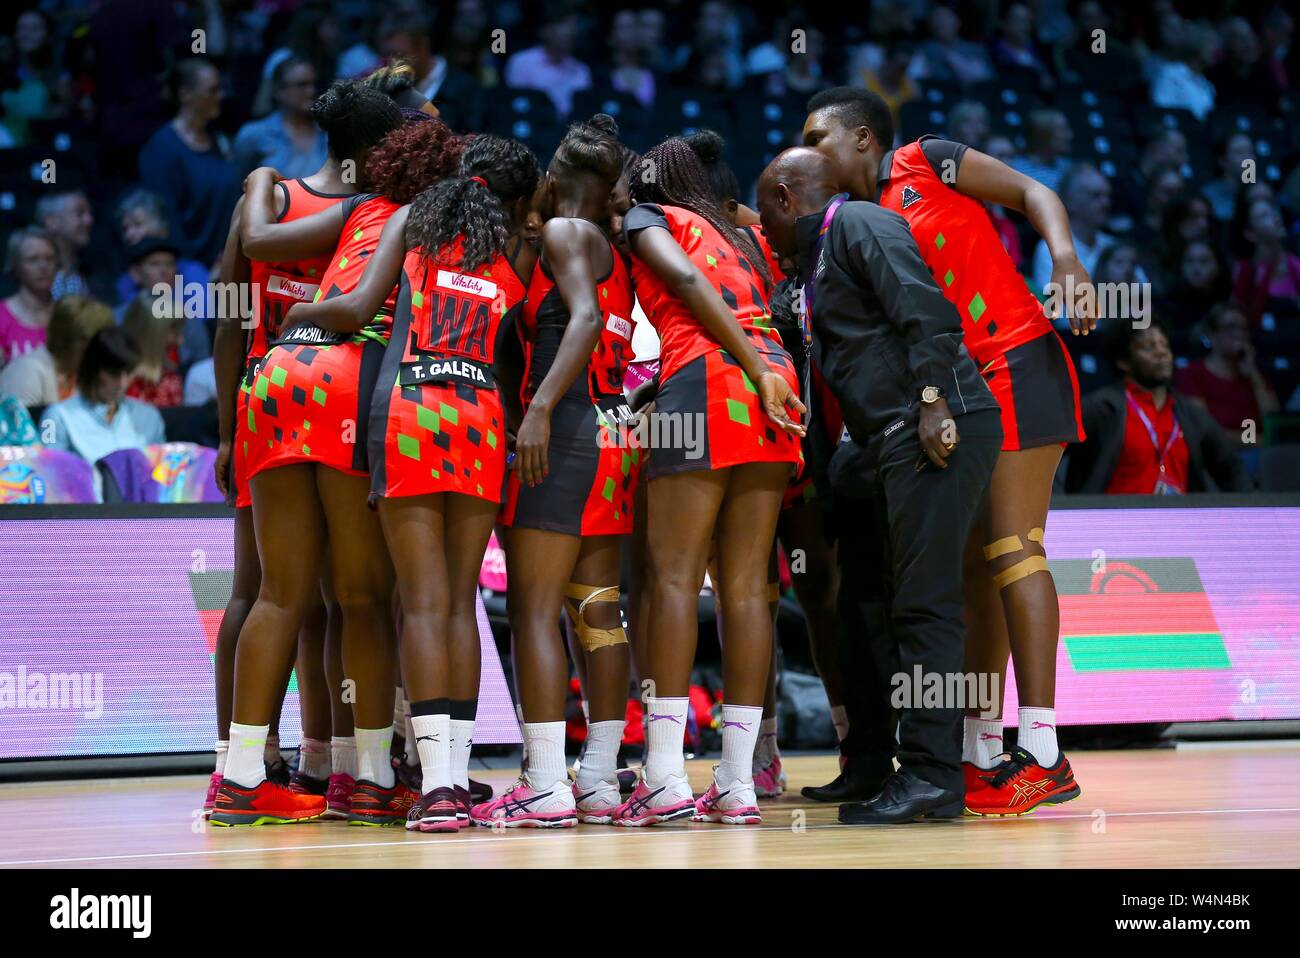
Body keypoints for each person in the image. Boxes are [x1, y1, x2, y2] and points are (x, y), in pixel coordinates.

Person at [802, 87, 1091, 814]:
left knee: (1014, 548)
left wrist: (1065, 259)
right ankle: (981, 748)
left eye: (819, 136)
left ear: (864, 139)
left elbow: (1033, 190)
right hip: (960, 388)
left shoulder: (924, 161)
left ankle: (1046, 752)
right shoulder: (851, 225)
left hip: (1018, 359)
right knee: (969, 568)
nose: (810, 150)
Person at [211, 103, 462, 829]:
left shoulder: (354, 206)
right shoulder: (427, 220)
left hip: (274, 381)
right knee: (361, 598)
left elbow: (261, 248)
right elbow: (358, 309)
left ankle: (241, 774)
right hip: (345, 381)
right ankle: (372, 776)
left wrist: (286, 328)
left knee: (278, 596)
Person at [285, 134, 540, 830]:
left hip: (410, 413)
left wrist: (299, 314)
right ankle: (457, 777)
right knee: (461, 607)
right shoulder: (518, 249)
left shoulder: (413, 220)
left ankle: (434, 789)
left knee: (422, 607)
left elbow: (355, 309)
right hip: (482, 417)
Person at [758, 147, 1001, 824]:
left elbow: (924, 307)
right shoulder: (814, 259)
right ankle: (877, 761)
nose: (766, 236)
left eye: (767, 217)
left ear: (784, 198)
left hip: (934, 420)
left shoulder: (860, 222)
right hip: (880, 442)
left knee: (925, 608)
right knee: (871, 602)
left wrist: (931, 398)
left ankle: (931, 775)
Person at [611, 136, 805, 827]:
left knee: (670, 578)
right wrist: (767, 372)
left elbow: (687, 287)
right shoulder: (744, 234)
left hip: (712, 377)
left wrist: (748, 366)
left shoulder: (649, 220)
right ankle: (738, 781)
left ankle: (663, 776)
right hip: (778, 390)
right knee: (748, 585)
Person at [488, 116, 633, 827]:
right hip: (609, 434)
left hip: (566, 430)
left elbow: (582, 319)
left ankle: (545, 783)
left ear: (560, 175)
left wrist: (538, 411)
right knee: (597, 611)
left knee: (534, 614)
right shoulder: (614, 246)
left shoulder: (567, 236)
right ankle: (600, 782)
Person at [1062, 321, 1251, 494]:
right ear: (1123, 362)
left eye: (1164, 346)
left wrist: (1246, 514)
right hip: (1116, 525)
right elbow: (1049, 453)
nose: (1162, 353)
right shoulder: (1100, 408)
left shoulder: (1191, 414)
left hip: (1179, 524)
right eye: (1148, 347)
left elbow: (1230, 466)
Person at [137, 57, 240, 266]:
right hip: (187, 272)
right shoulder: (162, 149)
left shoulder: (222, 142)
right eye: (212, 90)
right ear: (185, 94)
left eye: (221, 89)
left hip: (227, 264)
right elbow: (165, 220)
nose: (220, 96)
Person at [39, 327, 165, 465]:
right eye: (114, 373)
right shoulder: (53, 418)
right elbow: (49, 471)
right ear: (94, 370)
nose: (123, 383)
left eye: (129, 372)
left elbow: (163, 472)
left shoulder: (150, 416)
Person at [1174, 304, 1279, 439]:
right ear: (1211, 335)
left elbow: (1273, 420)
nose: (1239, 334)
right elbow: (1203, 431)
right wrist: (1258, 441)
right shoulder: (1192, 375)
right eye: (1230, 327)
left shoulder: (1254, 375)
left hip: (1262, 454)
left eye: (1244, 328)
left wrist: (1253, 374)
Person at [0, 295, 114, 407]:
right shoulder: (27, 373)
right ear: (71, 343)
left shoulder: (78, 375)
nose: (100, 354)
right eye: (94, 347)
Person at [231, 56, 327, 179]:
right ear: (279, 91)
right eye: (301, 85)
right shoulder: (254, 135)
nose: (311, 91)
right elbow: (239, 185)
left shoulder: (329, 132)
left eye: (314, 84)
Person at [503, 8, 592, 118]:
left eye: (574, 25)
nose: (571, 31)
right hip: (532, 129)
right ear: (546, 30)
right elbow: (518, 106)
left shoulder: (582, 70)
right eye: (563, 24)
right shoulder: (522, 62)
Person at [0, 228, 56, 365]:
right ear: (16, 266)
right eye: (33, 259)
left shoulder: (67, 314)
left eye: (49, 259)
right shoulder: (1, 316)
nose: (43, 266)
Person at [120, 293, 183, 408]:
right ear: (149, 336)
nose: (180, 341)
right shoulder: (116, 379)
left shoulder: (170, 378)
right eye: (174, 333)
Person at [34, 191, 95, 300]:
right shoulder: (41, 276)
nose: (89, 220)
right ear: (52, 222)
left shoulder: (81, 272)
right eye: (79, 213)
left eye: (89, 214)